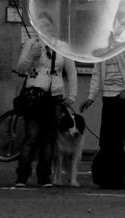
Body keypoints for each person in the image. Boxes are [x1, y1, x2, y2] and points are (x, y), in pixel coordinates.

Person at [13, 33, 77, 187]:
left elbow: (71, 71)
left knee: (48, 138)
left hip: (54, 96)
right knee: (31, 136)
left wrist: (72, 95)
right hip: (34, 94)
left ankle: (44, 176)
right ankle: (22, 175)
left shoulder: (62, 46)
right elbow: (20, 68)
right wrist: (30, 55)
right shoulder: (32, 42)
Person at [82, 43, 125, 189]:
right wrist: (91, 96)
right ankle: (107, 177)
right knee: (106, 140)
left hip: (121, 96)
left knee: (116, 140)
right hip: (108, 97)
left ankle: (115, 180)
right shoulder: (103, 46)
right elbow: (97, 72)